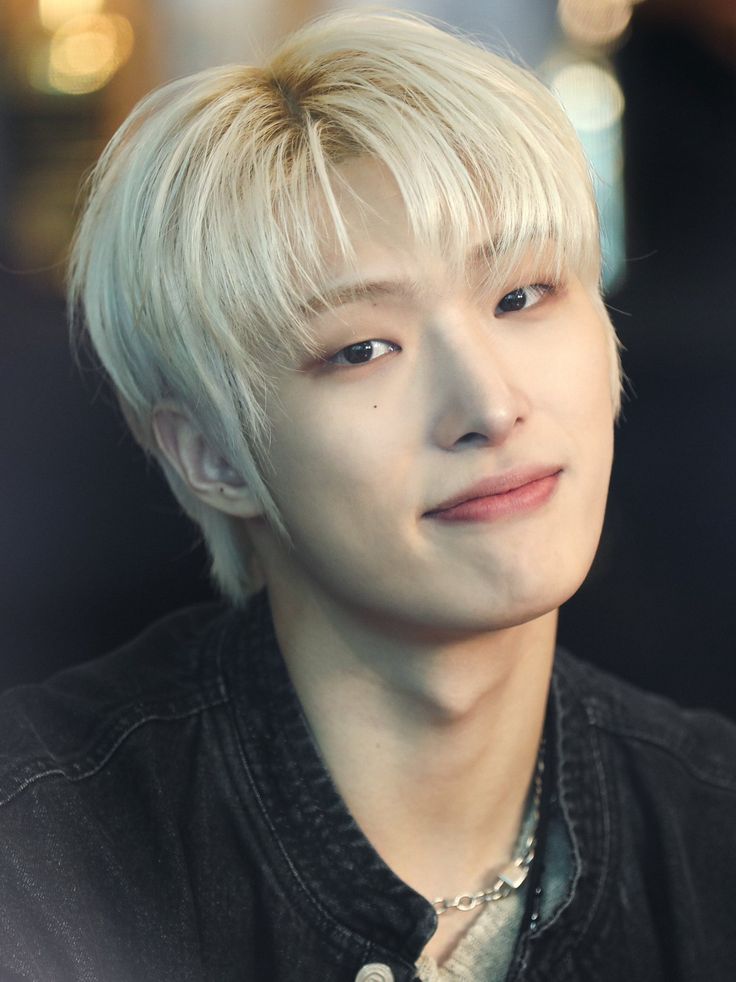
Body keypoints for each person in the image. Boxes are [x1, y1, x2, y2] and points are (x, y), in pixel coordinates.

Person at [1, 9, 734, 981]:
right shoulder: (41, 850)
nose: (488, 405)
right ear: (212, 452)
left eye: (521, 296)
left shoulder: (709, 825)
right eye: (360, 349)